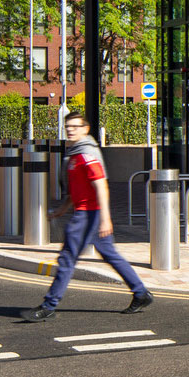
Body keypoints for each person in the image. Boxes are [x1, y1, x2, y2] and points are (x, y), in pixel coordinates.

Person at [22, 112, 154, 321]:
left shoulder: (86, 154)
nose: (70, 129)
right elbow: (78, 189)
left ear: (86, 128)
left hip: (87, 216)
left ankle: (49, 305)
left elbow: (100, 184)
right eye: (67, 126)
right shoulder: (75, 153)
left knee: (67, 259)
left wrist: (105, 218)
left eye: (75, 126)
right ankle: (140, 292)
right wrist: (63, 208)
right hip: (85, 212)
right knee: (110, 255)